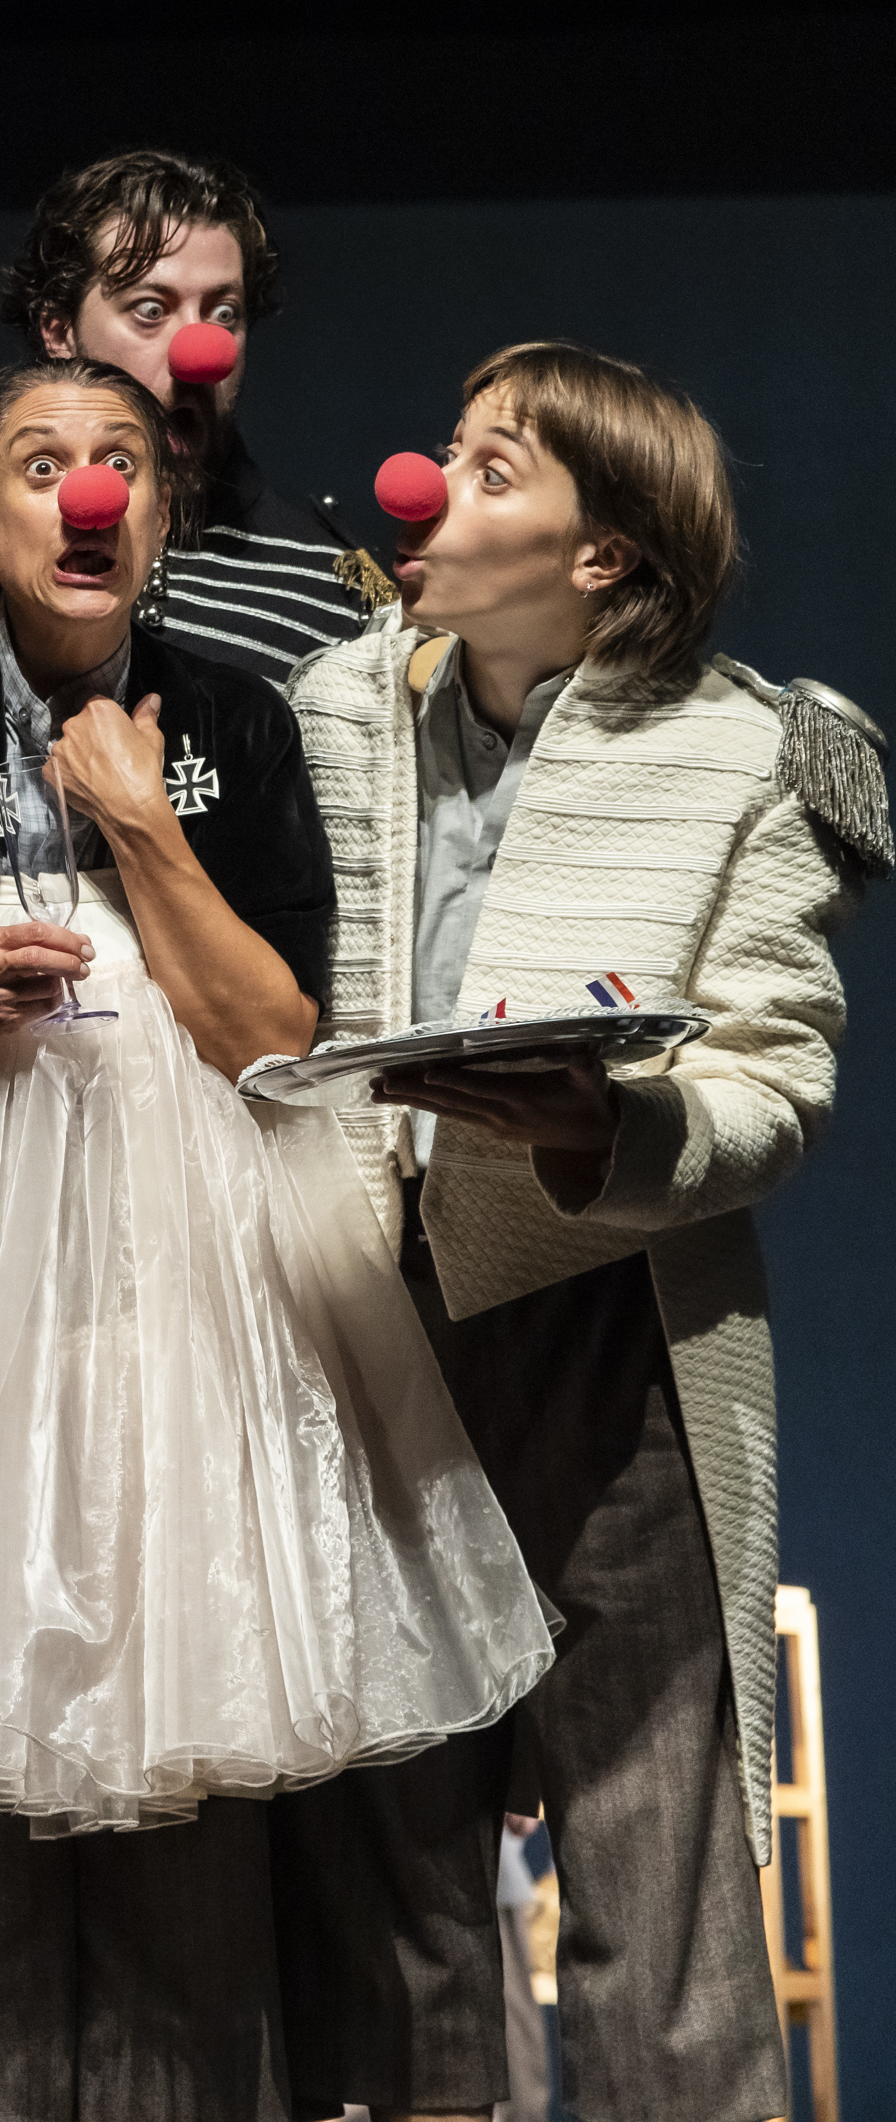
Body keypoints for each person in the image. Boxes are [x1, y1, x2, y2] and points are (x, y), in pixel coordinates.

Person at [0, 358, 554, 2118]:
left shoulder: (232, 719)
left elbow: (271, 1027)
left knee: (185, 1777)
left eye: (119, 464)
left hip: (189, 1262)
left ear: (161, 514)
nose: (84, 495)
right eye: (40, 464)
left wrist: (140, 829)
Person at [270, 342, 881, 2122]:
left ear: (598, 552)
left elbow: (775, 1073)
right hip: (369, 1320)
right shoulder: (329, 705)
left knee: (652, 1855)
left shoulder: (740, 751)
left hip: (604, 1322)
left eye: (483, 467)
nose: (415, 487)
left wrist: (604, 1127)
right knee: (391, 1872)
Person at [0, 148, 389, 680]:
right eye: (150, 310)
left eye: (223, 312)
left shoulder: (328, 588)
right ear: (58, 330)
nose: (198, 353)